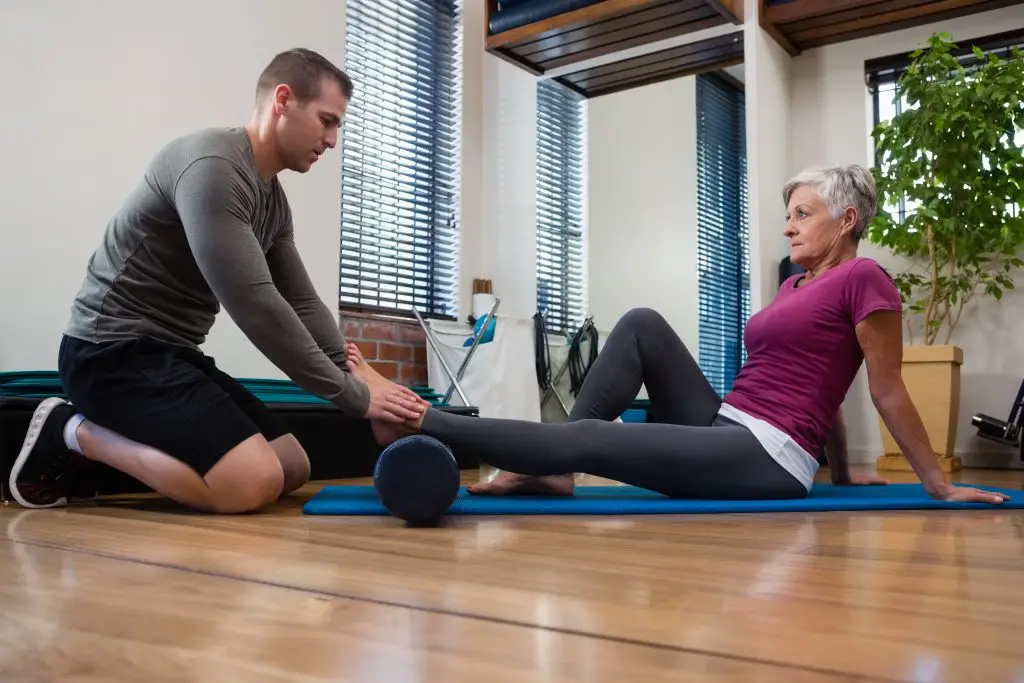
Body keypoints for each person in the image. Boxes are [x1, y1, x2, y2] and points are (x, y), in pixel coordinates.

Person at [370, 164, 1008, 505]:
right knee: (642, 323)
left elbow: (885, 387)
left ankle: (423, 419)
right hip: (728, 421)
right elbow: (822, 382)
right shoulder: (795, 286)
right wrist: (841, 472)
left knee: (597, 438)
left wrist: (936, 483)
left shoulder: (865, 278)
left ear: (846, 220)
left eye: (802, 214)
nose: (788, 226)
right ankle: (555, 468)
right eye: (787, 215)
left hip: (768, 454)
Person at [9, 48, 427, 513]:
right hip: (110, 353)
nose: (332, 140)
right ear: (283, 100)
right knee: (249, 483)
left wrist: (361, 376)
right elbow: (256, 305)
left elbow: (302, 301)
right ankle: (70, 431)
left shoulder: (272, 202)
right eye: (326, 121)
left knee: (291, 466)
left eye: (338, 127)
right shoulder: (212, 166)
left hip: (173, 356)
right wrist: (354, 398)